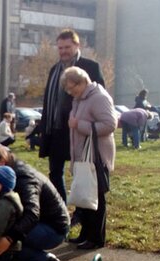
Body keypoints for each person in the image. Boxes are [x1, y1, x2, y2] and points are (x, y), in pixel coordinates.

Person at [0, 144, 69, 261]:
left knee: (4, 232)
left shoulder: (25, 179)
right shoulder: (6, 174)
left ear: (1, 162)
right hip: (36, 222)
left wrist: (8, 239)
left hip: (52, 229)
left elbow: (32, 214)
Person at [39, 29, 105, 203]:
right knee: (55, 172)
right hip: (56, 129)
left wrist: (84, 123)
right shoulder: (54, 69)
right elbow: (49, 101)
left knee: (80, 171)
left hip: (78, 128)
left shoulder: (90, 67)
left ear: (77, 45)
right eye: (60, 48)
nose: (63, 51)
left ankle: (82, 210)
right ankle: (61, 209)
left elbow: (100, 97)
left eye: (67, 47)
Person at [61, 66, 116, 250]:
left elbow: (110, 124)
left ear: (83, 81)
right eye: (67, 89)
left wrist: (80, 125)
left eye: (72, 88)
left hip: (97, 157)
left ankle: (96, 238)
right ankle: (86, 235)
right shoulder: (79, 99)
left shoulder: (99, 97)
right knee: (85, 197)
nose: (70, 92)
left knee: (96, 198)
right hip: (83, 157)